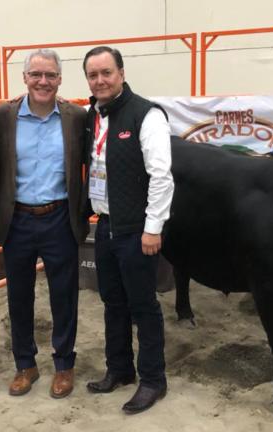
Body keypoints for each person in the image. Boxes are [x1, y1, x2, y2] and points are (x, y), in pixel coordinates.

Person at [0, 49, 88, 398]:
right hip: (17, 218)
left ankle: (64, 365)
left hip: (59, 216)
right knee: (19, 296)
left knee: (64, 296)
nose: (42, 82)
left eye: (50, 75)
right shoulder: (2, 115)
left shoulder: (77, 117)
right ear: (25, 78)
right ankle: (25, 365)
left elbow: (90, 166)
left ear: (60, 79)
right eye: (36, 75)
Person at [82, 46, 174, 414]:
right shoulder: (93, 116)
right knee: (112, 303)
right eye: (93, 75)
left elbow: (161, 177)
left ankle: (153, 380)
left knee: (143, 307)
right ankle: (119, 369)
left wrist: (153, 229)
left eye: (106, 72)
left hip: (137, 232)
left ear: (121, 72)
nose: (100, 80)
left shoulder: (147, 115)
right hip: (104, 227)